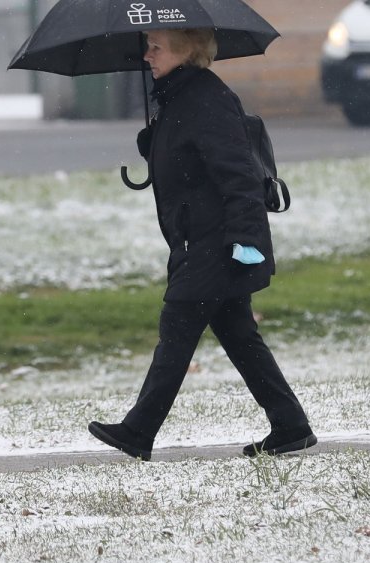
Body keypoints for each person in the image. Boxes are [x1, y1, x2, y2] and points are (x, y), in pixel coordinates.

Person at [88, 28, 316, 462]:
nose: (147, 54)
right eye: (148, 45)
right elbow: (190, 165)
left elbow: (239, 174)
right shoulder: (178, 98)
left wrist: (246, 240)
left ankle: (138, 430)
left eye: (156, 47)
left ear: (186, 50)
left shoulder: (207, 99)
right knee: (239, 335)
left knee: (177, 327)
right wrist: (155, 144)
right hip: (199, 237)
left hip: (216, 241)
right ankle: (291, 425)